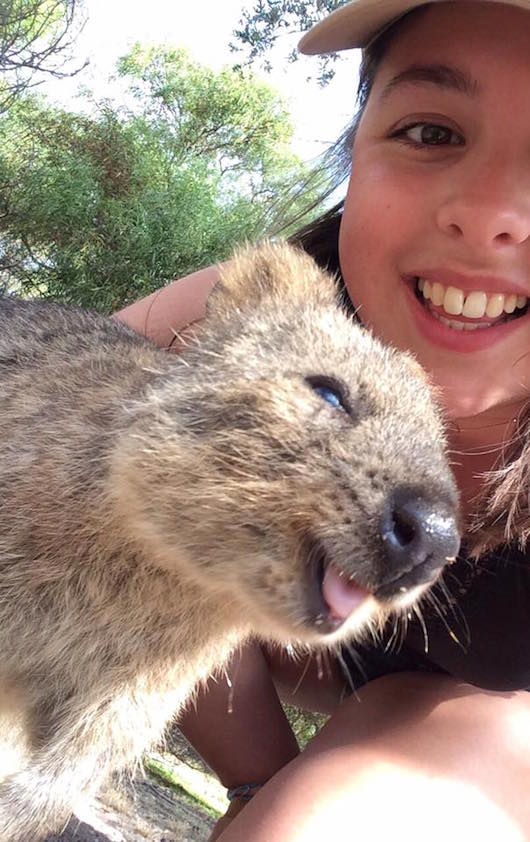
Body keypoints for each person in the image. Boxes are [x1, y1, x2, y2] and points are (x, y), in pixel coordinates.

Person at [116, 2, 530, 839]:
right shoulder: (292, 307)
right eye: (432, 133)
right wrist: (255, 784)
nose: (491, 215)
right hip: (329, 641)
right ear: (357, 148)